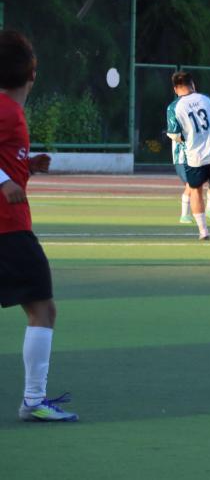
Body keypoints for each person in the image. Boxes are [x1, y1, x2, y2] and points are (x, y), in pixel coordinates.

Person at [0, 31, 78, 422]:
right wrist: (3, 180)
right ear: (31, 73)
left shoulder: (9, 111)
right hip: (8, 229)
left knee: (41, 308)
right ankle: (33, 401)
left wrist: (24, 166)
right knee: (43, 309)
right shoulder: (7, 111)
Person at [166, 71, 210, 240]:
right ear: (193, 84)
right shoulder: (206, 99)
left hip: (194, 157)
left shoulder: (174, 107)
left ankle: (203, 231)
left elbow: (174, 134)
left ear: (175, 89)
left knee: (196, 191)